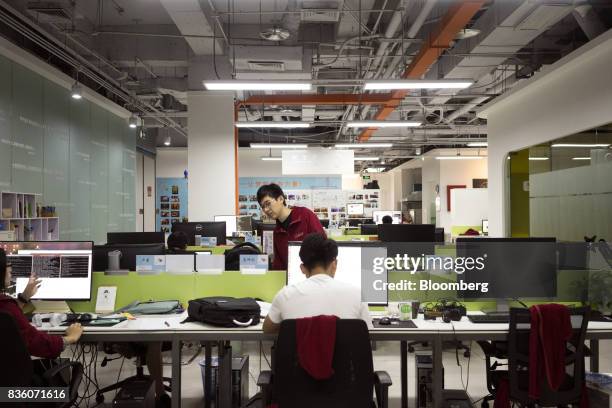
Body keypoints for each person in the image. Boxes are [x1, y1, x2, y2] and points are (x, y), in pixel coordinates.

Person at [263, 233, 372, 334]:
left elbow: (267, 329)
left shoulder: (285, 295)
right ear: (334, 264)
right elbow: (368, 334)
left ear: (302, 268)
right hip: (346, 355)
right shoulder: (357, 295)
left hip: (301, 355)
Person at [0, 248, 83, 358]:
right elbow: (36, 343)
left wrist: (24, 297)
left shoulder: (6, 306)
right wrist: (70, 338)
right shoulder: (7, 307)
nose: (10, 269)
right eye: (6, 264)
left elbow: (10, 318)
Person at [257, 183, 325, 270]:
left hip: (313, 274)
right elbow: (279, 265)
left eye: (268, 203)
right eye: (263, 207)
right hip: (291, 278)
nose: (265, 209)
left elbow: (323, 246)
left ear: (281, 199)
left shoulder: (305, 215)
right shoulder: (277, 232)